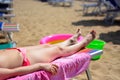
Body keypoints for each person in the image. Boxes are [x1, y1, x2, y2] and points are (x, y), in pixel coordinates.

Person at [0, 29, 96, 80]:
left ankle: (70, 41)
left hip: (18, 51)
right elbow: (14, 72)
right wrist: (40, 66)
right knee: (58, 50)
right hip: (26, 60)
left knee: (47, 46)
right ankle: (82, 43)